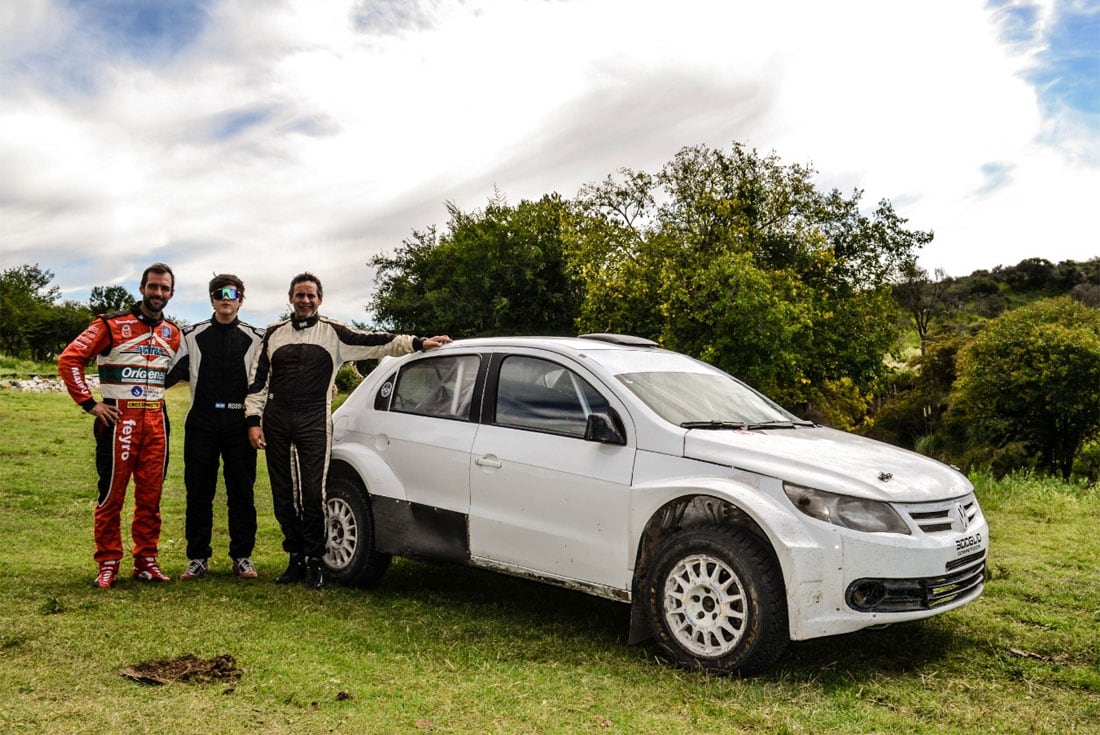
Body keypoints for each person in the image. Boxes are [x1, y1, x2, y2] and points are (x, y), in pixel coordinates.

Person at [245, 272, 451, 589]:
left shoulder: (334, 333)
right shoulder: (273, 334)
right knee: (283, 493)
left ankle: (316, 560)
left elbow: (377, 341)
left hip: (314, 419)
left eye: (311, 295)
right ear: (290, 298)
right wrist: (253, 421)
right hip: (278, 417)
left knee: (314, 493)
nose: (305, 300)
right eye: (300, 295)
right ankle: (295, 558)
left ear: (320, 299)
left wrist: (418, 342)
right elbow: (258, 383)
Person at [58, 263, 182, 589]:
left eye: (164, 288)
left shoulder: (173, 332)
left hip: (156, 421)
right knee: (112, 494)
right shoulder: (111, 324)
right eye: (153, 287)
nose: (158, 293)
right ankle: (108, 561)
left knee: (150, 497)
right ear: (142, 288)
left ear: (171, 293)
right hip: (118, 420)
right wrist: (90, 403)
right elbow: (69, 359)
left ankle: (146, 560)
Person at [166, 274, 265, 581]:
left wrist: (329, 385)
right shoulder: (191, 335)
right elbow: (165, 372)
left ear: (241, 300)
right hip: (202, 424)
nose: (226, 298)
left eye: (232, 293)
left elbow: (277, 372)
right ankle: (197, 558)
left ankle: (242, 557)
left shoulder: (256, 337)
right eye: (219, 293)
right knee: (198, 492)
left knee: (242, 494)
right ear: (211, 299)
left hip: (240, 426)